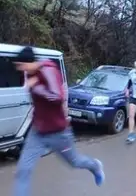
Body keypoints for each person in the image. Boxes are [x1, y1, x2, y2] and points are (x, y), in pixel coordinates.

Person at [13, 46, 105, 196]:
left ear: (29, 62)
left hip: (58, 132)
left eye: (21, 65)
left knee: (75, 162)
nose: (20, 69)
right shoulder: (28, 73)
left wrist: (36, 88)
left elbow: (57, 96)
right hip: (37, 131)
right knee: (23, 170)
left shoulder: (48, 70)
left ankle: (95, 166)